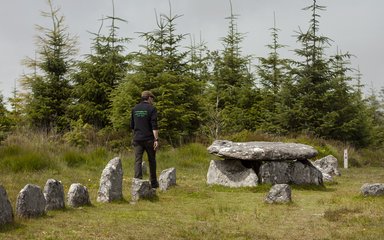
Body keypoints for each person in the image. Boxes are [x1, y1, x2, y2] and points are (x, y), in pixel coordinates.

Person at [130, 90, 159, 188]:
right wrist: (156, 140)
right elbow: (154, 126)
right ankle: (154, 183)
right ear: (149, 98)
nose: (153, 100)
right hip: (149, 139)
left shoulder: (135, 108)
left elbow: (132, 125)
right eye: (152, 98)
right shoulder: (152, 109)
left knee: (138, 160)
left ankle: (137, 181)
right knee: (152, 160)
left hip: (137, 138)